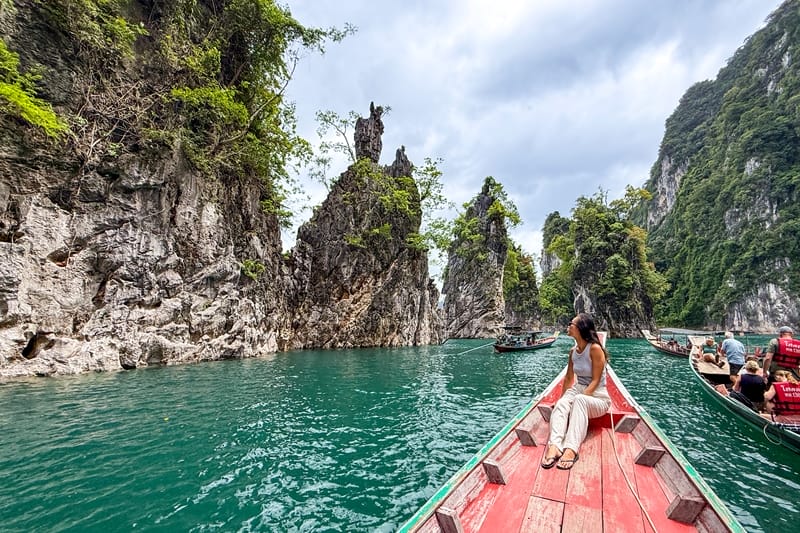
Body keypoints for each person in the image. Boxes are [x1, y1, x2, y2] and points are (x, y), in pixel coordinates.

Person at [541, 313, 610, 471]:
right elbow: (568, 378)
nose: (568, 326)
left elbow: (596, 381)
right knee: (562, 403)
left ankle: (571, 449)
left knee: (578, 400)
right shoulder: (573, 351)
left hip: (598, 395)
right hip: (579, 388)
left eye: (571, 324)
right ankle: (555, 446)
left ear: (581, 329)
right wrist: (562, 401)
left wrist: (578, 400)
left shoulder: (595, 349)